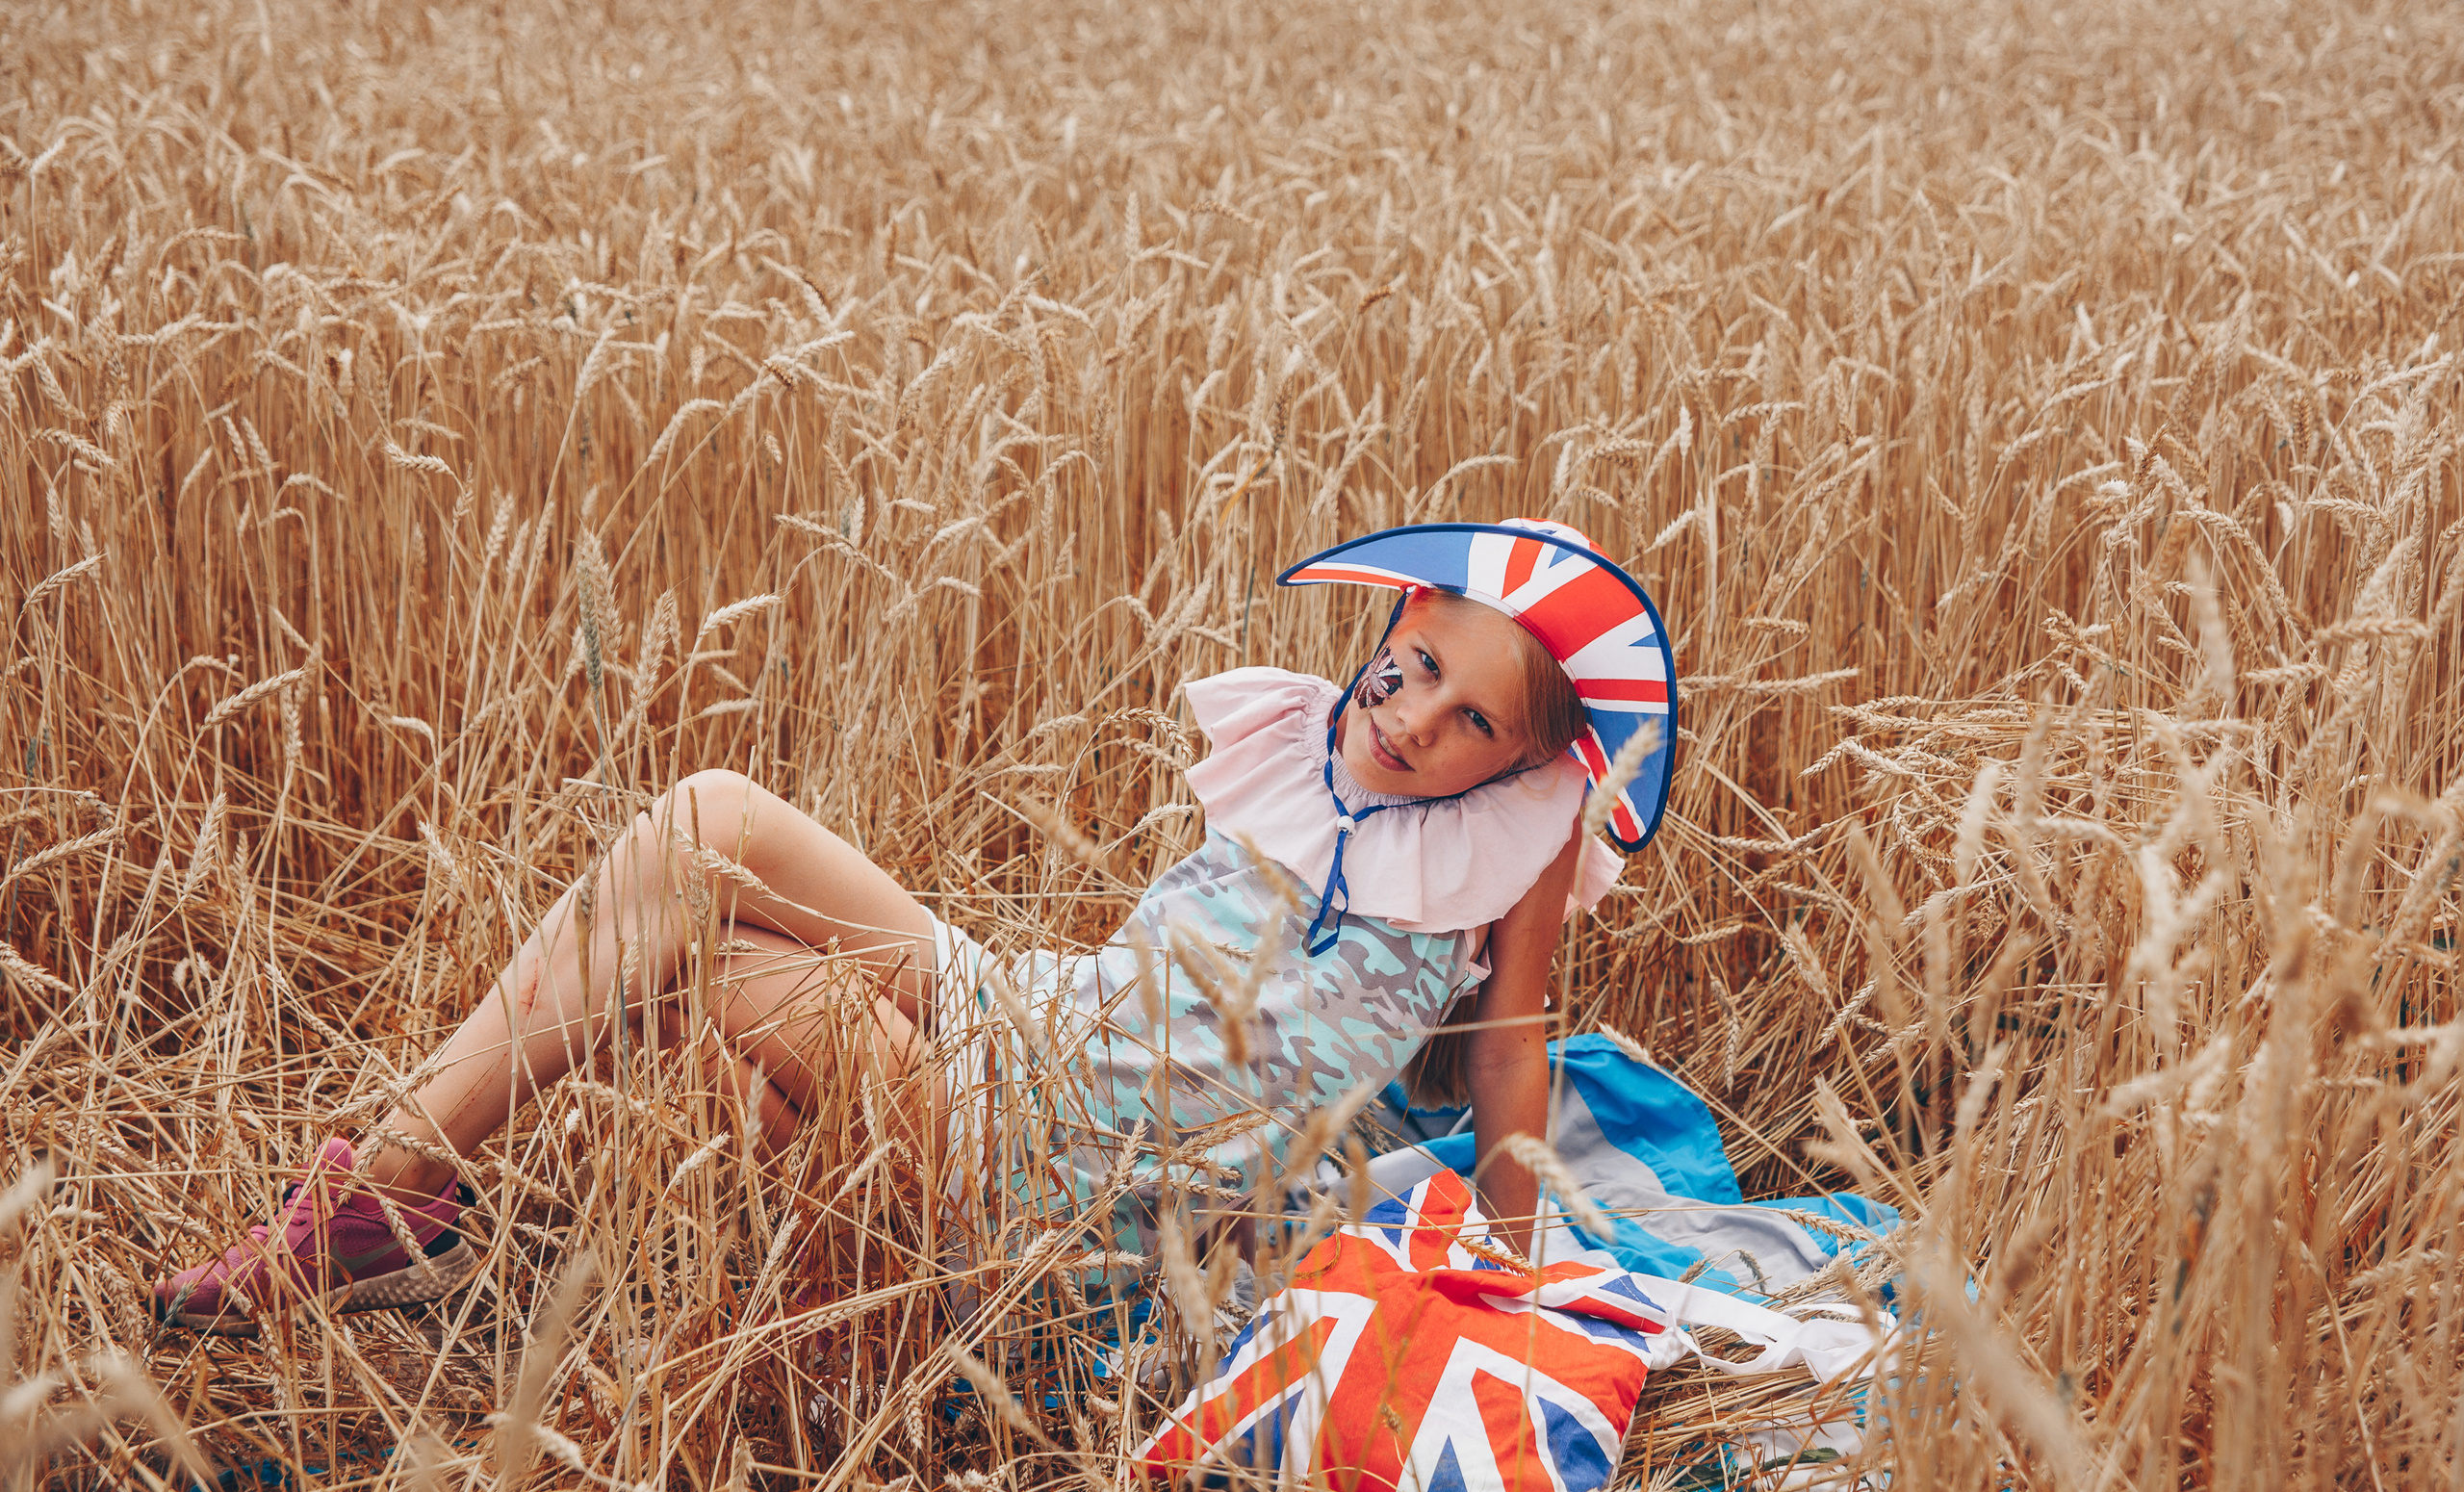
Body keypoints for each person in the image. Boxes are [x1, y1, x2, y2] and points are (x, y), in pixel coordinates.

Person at [152, 518, 1678, 1334]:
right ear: (1387, 636)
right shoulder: (1300, 742)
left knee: (718, 990)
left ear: (1528, 758)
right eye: (1412, 668)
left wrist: (1511, 1270)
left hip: (1074, 1179)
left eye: (1472, 715)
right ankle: (397, 1183)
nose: (1416, 718)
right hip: (1023, 1027)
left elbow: (1507, 1063)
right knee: (708, 819)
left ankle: (405, 1204)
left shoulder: (1521, 842)